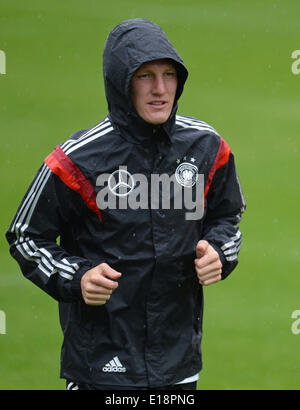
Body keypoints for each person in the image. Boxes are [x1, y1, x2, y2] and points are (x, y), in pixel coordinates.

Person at [6, 18, 246, 390]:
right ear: (121, 82)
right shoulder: (76, 160)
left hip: (178, 365)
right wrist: (77, 276)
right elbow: (25, 237)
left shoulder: (207, 148)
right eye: (144, 76)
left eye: (169, 74)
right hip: (99, 365)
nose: (161, 89)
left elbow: (227, 215)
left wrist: (219, 251)